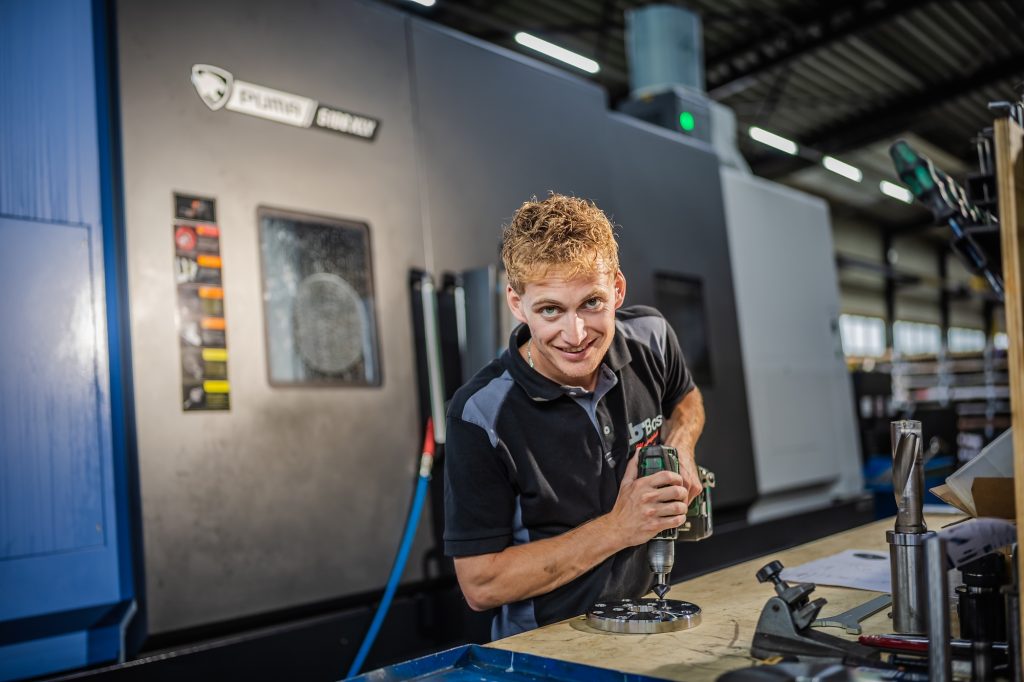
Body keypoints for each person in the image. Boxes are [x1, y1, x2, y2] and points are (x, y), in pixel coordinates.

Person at [443, 193, 706, 639]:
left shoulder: (652, 338)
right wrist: (620, 528)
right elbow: (481, 584)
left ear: (617, 289)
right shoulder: (481, 414)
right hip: (543, 644)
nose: (577, 335)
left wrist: (680, 445)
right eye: (550, 310)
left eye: (591, 303)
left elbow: (687, 399)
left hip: (642, 617)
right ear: (516, 303)